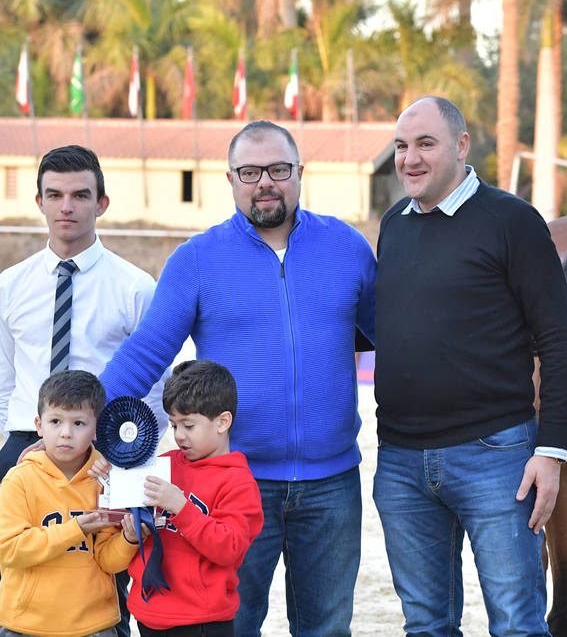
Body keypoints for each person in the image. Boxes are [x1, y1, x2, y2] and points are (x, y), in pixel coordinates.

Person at [98, 121, 376, 636]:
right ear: (230, 179)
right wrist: (86, 429)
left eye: (278, 169)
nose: (265, 181)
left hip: (332, 484)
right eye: (250, 171)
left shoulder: (348, 248)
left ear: (299, 173)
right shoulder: (196, 261)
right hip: (230, 486)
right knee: (234, 626)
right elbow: (145, 354)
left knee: (328, 629)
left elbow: (397, 340)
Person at [373, 96, 567, 636]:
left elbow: (558, 340)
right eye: (401, 146)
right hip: (400, 464)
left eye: (425, 144)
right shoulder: (393, 224)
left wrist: (551, 451)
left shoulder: (512, 221)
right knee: (425, 625)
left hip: (496, 458)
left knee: (515, 624)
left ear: (461, 147)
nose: (409, 159)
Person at [0, 143, 167, 637]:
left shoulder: (136, 287)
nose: (66, 206)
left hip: (103, 454)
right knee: (18, 571)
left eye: (79, 194)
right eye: (54, 195)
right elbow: (5, 379)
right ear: (39, 202)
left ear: (102, 203)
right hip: (22, 448)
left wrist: (127, 456)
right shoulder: (9, 286)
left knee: (105, 573)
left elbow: (155, 389)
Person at [118, 359, 263, 636]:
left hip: (201, 621)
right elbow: (123, 506)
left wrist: (181, 507)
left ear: (223, 422)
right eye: (174, 425)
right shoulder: (165, 464)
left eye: (188, 425)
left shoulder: (238, 482)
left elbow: (229, 548)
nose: (179, 436)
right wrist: (108, 475)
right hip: (148, 614)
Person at [0, 370, 137, 637]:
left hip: (94, 626)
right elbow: (9, 549)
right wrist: (75, 529)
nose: (65, 433)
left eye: (78, 423)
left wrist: (129, 540)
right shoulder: (19, 480)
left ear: (96, 428)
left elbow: (109, 561)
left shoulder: (107, 482)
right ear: (39, 425)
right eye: (55, 421)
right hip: (26, 625)